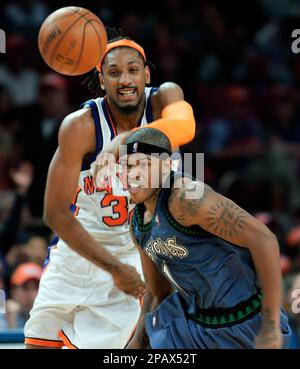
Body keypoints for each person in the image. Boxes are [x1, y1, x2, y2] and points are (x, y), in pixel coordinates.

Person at [24, 28, 196, 349]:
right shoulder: (80, 126)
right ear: (101, 80)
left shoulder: (164, 99)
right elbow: (55, 213)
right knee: (37, 344)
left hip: (138, 251)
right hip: (79, 251)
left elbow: (185, 126)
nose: (125, 79)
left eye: (133, 70)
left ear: (146, 74)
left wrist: (125, 142)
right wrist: (113, 268)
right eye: (114, 72)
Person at [123, 127, 291, 349]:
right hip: (193, 325)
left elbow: (264, 239)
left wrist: (270, 324)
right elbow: (157, 292)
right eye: (127, 166)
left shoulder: (187, 198)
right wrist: (136, 342)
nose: (134, 174)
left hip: (244, 320)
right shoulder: (136, 220)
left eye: (144, 164)